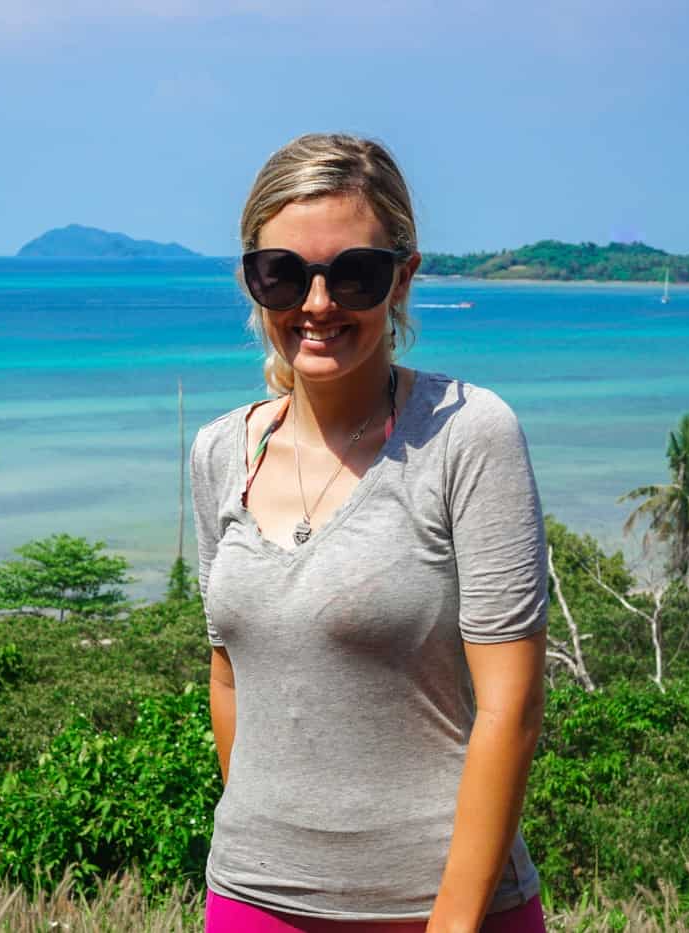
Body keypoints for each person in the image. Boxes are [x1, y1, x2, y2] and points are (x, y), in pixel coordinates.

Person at [190, 133, 549, 933]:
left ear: (402, 277)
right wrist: (274, 847)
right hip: (254, 901)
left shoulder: (466, 435)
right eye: (282, 274)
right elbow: (228, 675)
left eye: (352, 274)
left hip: (441, 906)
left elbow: (512, 705)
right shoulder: (220, 452)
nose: (316, 303)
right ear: (253, 282)